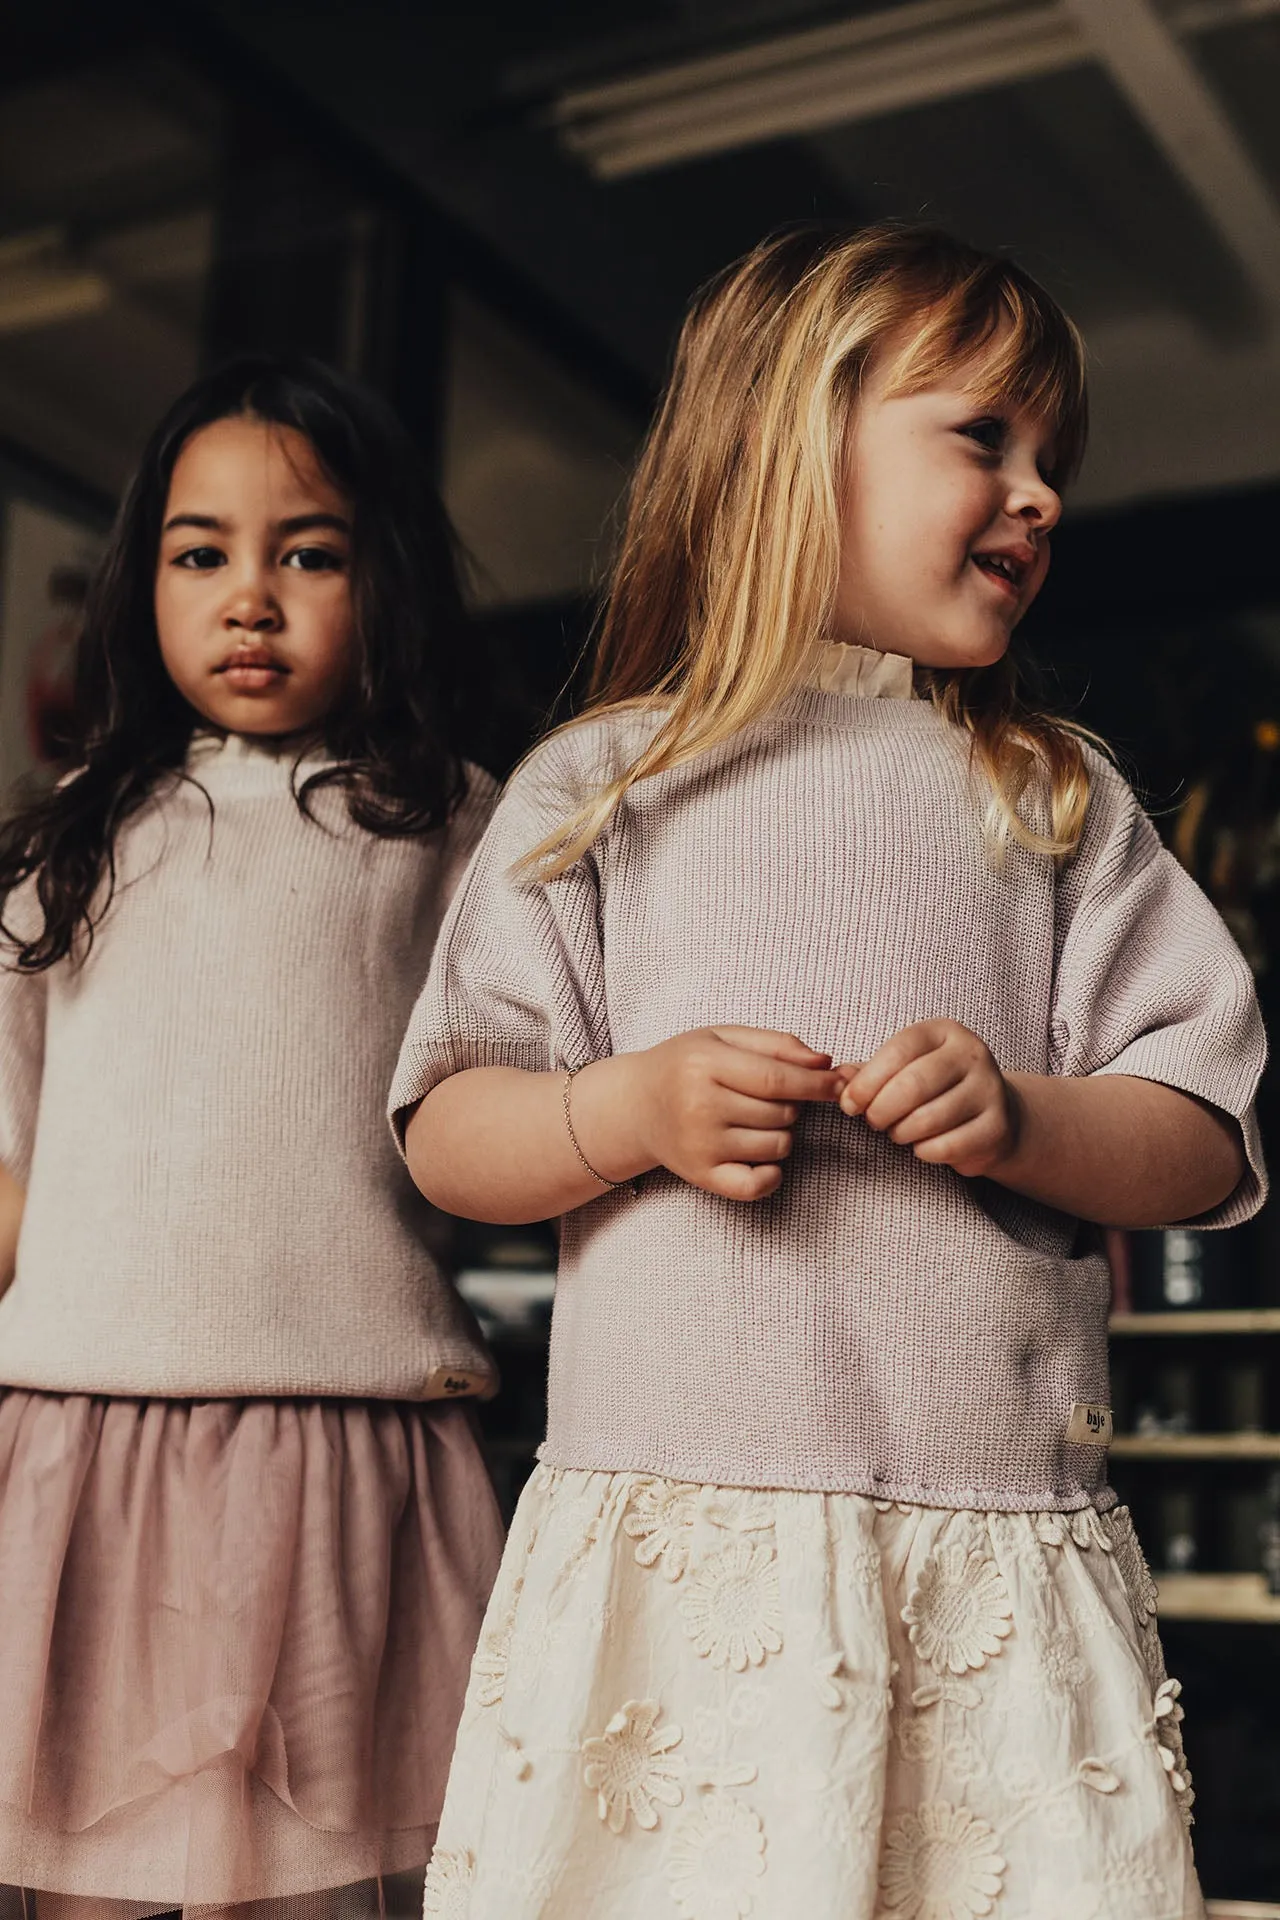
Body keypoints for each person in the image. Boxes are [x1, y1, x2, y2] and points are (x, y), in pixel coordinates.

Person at [390, 225, 1267, 1917]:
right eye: (983, 438)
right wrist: (619, 1109)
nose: (1042, 495)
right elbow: (451, 1127)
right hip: (683, 1545)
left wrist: (1032, 1118)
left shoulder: (1055, 794)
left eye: (1053, 460)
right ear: (794, 441)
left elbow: (1205, 1135)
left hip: (988, 1535)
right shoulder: (605, 781)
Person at [0, 355, 505, 1920]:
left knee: (321, 1882)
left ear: (386, 579)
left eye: (312, 552)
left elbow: (503, 1106)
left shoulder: (453, 825)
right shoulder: (66, 844)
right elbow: (11, 1160)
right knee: (82, 1873)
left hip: (344, 1436)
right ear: (143, 579)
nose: (251, 597)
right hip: (83, 1439)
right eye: (201, 552)